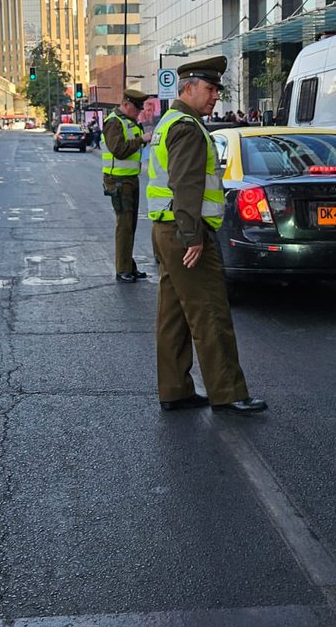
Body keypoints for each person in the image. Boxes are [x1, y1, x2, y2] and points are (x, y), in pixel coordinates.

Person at [146, 57, 267, 416]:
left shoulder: (171, 122)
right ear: (188, 87)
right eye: (210, 89)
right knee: (210, 311)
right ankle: (227, 391)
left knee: (174, 315)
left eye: (217, 89)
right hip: (186, 231)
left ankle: (175, 388)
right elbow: (186, 184)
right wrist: (193, 236)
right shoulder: (186, 126)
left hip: (167, 229)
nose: (216, 96)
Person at [102, 87, 153, 282]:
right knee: (124, 225)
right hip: (118, 180)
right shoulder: (114, 122)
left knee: (130, 224)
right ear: (125, 105)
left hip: (130, 178)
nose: (139, 112)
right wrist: (141, 140)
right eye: (136, 108)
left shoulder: (129, 121)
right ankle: (122, 269)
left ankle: (128, 266)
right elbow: (119, 150)